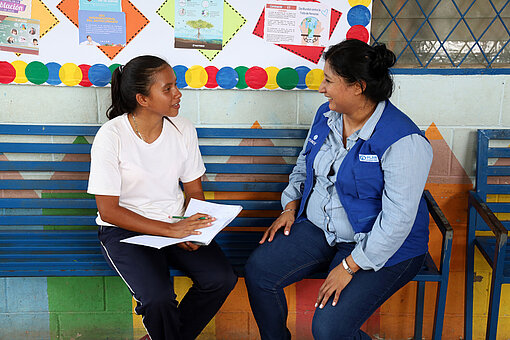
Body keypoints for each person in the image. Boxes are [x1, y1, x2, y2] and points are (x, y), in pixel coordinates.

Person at [245, 39, 433, 340]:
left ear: (357, 87)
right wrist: (290, 206)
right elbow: (304, 166)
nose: (322, 88)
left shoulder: (404, 142)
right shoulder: (326, 116)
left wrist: (349, 266)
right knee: (260, 272)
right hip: (322, 229)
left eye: (329, 80)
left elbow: (398, 222)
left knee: (329, 329)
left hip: (382, 245)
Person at [87, 55, 237, 340]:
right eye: (167, 89)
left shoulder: (183, 129)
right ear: (143, 99)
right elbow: (108, 211)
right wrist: (171, 230)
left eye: (175, 86)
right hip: (124, 231)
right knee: (158, 299)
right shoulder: (112, 136)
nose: (178, 93)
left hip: (176, 224)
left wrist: (193, 229)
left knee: (221, 279)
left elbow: (193, 190)